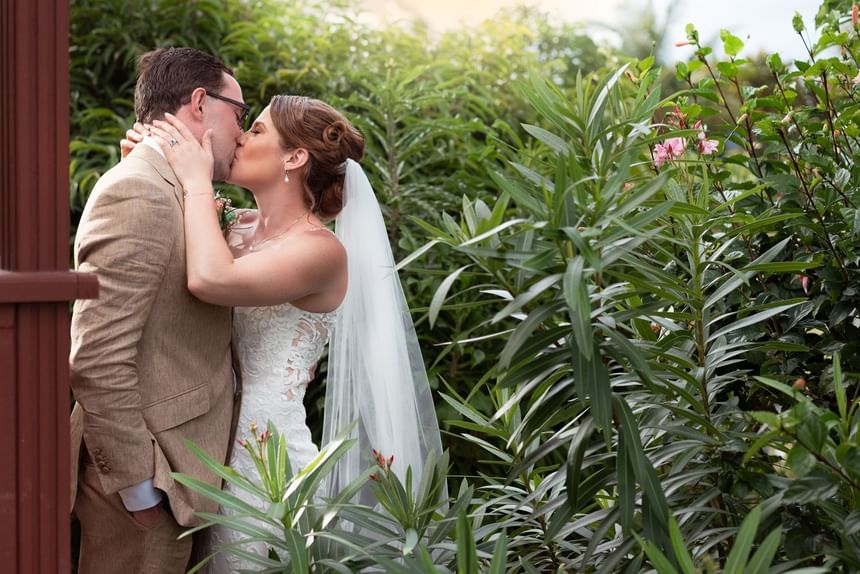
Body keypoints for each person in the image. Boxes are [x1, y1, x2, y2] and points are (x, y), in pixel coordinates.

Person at [134, 94, 444, 571]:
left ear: (295, 158)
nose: (239, 136)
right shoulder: (230, 224)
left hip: (263, 461)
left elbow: (210, 280)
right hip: (197, 440)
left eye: (256, 130)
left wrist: (195, 181)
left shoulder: (321, 251)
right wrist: (147, 169)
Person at [69, 47, 247, 573]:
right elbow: (96, 355)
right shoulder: (140, 192)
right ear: (200, 103)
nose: (242, 131)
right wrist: (140, 491)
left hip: (184, 475)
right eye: (239, 113)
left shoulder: (177, 190)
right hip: (152, 485)